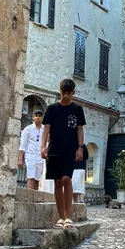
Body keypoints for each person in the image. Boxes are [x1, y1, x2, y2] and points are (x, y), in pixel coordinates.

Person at [41, 79, 86, 229]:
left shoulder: (77, 109)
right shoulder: (52, 109)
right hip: (54, 149)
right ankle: (61, 217)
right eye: (64, 93)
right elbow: (46, 128)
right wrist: (43, 147)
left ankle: (68, 216)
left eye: (69, 93)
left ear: (73, 92)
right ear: (61, 92)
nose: (67, 95)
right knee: (58, 182)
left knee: (67, 179)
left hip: (70, 149)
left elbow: (80, 129)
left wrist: (80, 147)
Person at [18, 110, 44, 189]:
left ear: (42, 118)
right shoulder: (27, 129)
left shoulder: (45, 129)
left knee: (38, 179)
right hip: (30, 155)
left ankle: (35, 198)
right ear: (33, 117)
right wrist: (20, 159)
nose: (38, 117)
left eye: (40, 116)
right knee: (31, 177)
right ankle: (28, 196)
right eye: (36, 115)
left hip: (40, 157)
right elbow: (23, 145)